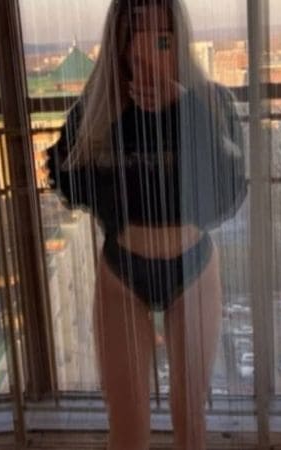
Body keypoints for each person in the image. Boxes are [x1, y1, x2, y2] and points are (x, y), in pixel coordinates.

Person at [46, 0, 246, 448]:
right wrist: (111, 119)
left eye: (163, 40)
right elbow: (67, 175)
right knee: (127, 426)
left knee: (190, 421)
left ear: (180, 41)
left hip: (193, 271)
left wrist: (185, 108)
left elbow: (228, 192)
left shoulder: (210, 103)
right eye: (135, 37)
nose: (148, 52)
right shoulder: (100, 107)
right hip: (122, 274)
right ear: (119, 45)